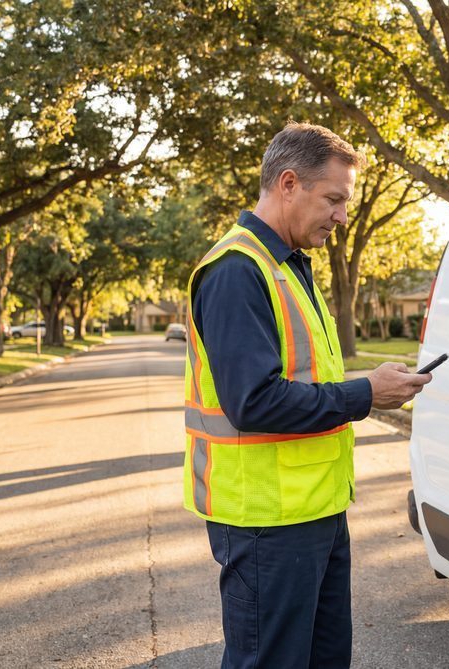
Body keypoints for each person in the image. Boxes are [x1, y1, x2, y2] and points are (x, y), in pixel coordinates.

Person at [182, 122, 431, 668]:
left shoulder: (289, 266)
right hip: (265, 522)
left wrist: (368, 386)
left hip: (314, 510)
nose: (343, 216)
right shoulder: (236, 271)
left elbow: (309, 379)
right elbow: (255, 402)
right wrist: (367, 392)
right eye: (335, 199)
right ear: (289, 184)